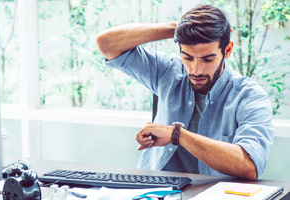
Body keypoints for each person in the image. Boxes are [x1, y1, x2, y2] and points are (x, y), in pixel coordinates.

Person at [96, 4, 274, 180]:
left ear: (227, 50)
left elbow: (250, 166)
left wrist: (177, 135)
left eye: (207, 59)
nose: (196, 70)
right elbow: (106, 43)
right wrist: (179, 26)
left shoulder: (249, 96)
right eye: (187, 57)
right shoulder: (169, 71)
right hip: (154, 192)